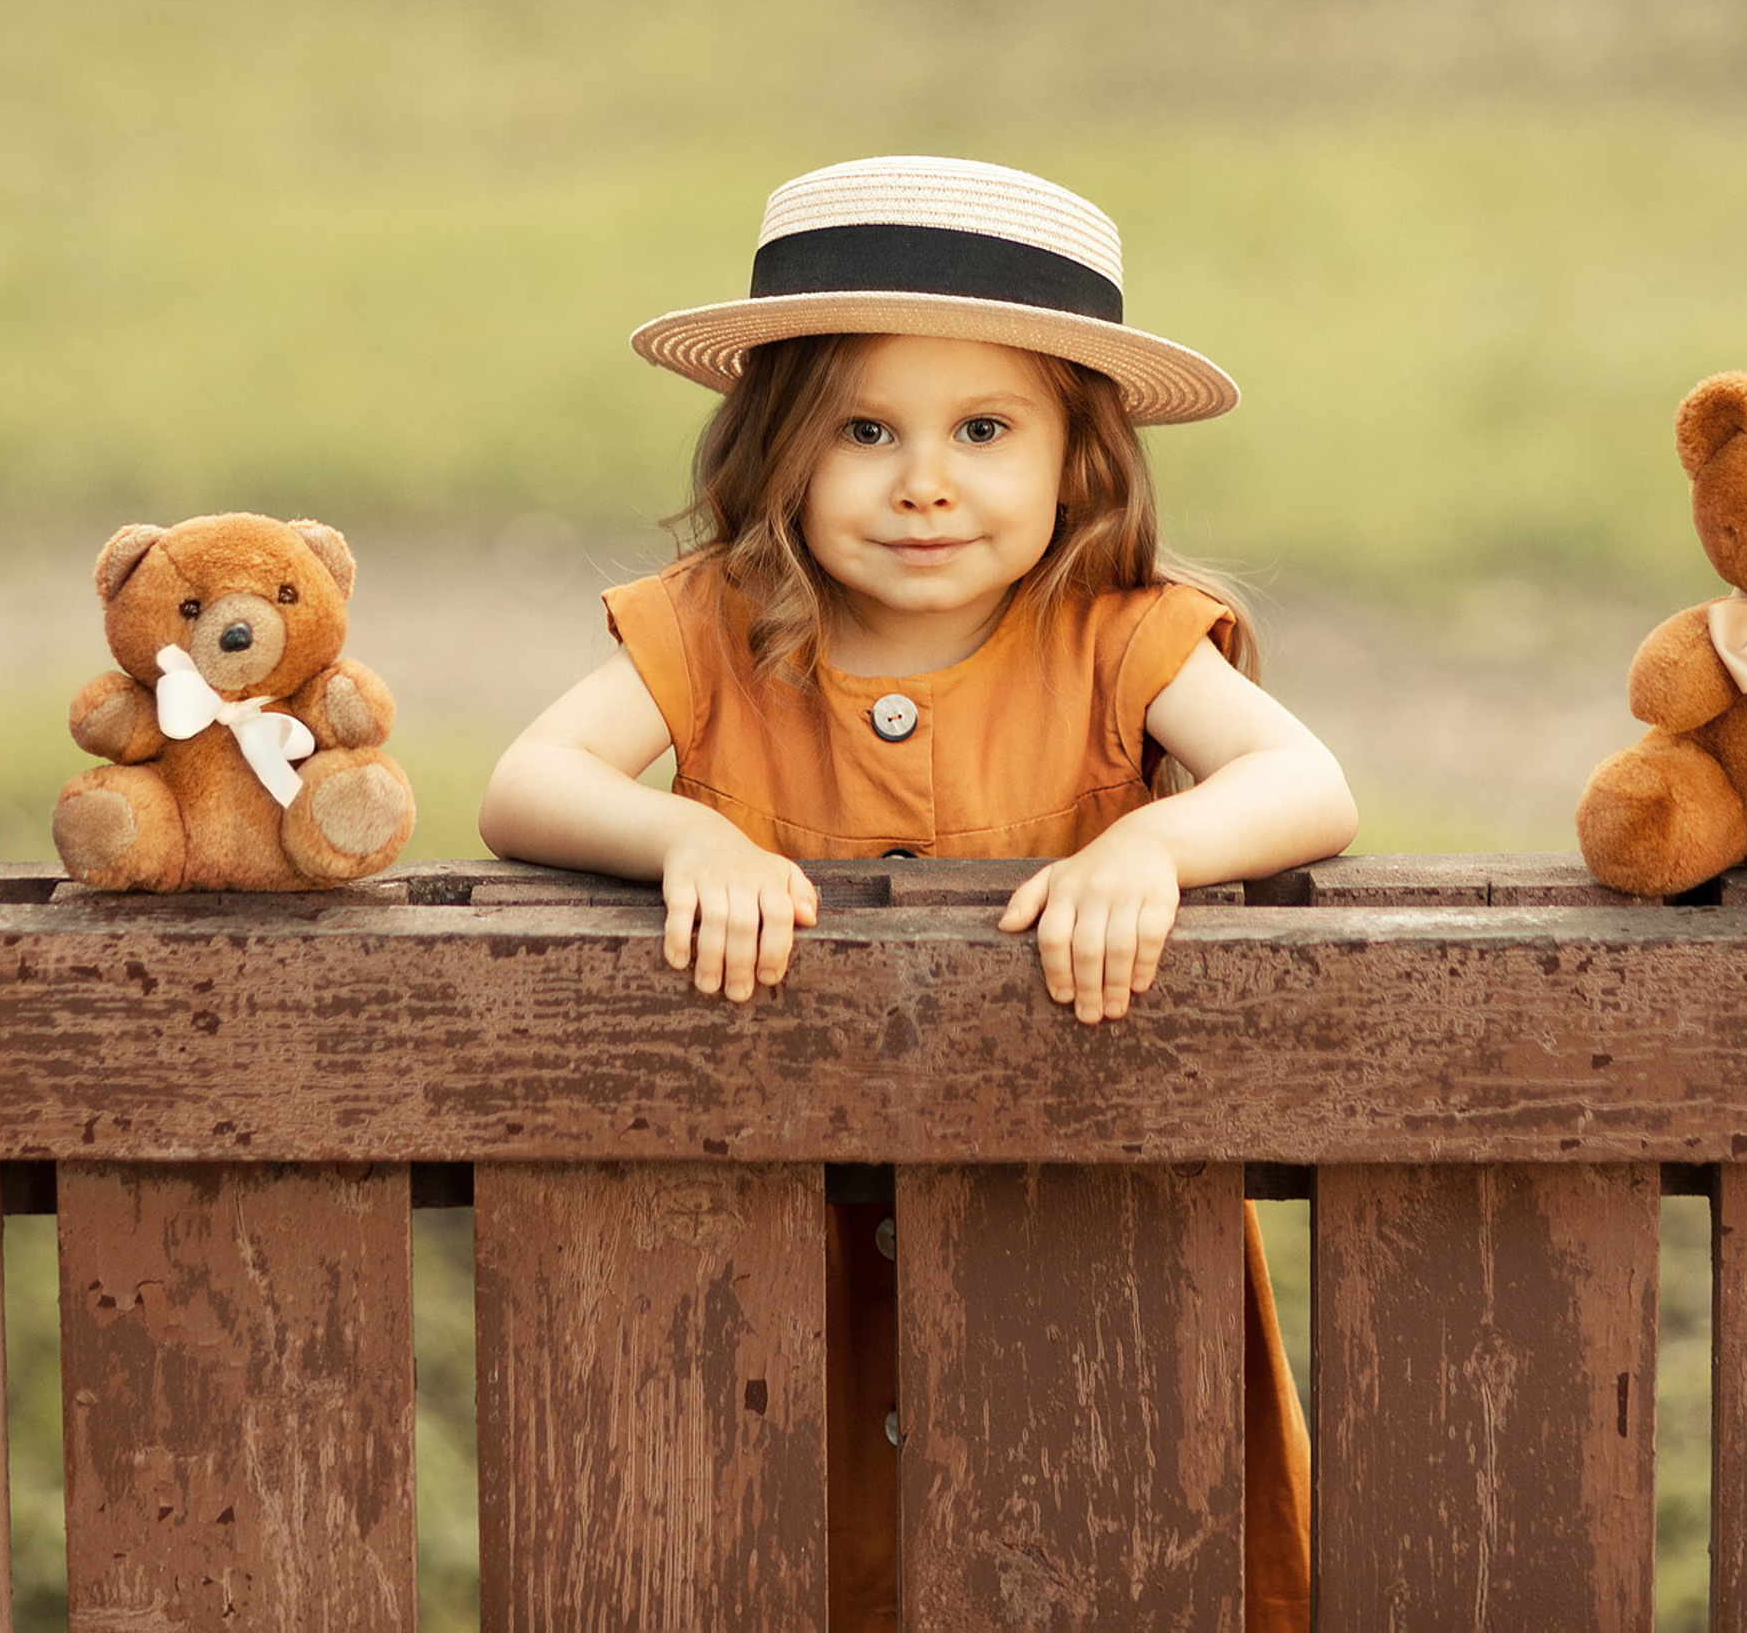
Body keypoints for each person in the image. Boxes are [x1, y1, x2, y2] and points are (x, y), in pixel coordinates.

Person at [484, 154, 1357, 1633]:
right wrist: (686, 840)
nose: (924, 480)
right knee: (796, 1563)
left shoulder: (1118, 634)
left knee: (1112, 1557)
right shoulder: (716, 628)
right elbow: (530, 781)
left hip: (1079, 1235)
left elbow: (1305, 787)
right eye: (865, 429)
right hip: (781, 1261)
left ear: (1079, 460)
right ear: (776, 453)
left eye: (985, 429)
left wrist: (1149, 846)